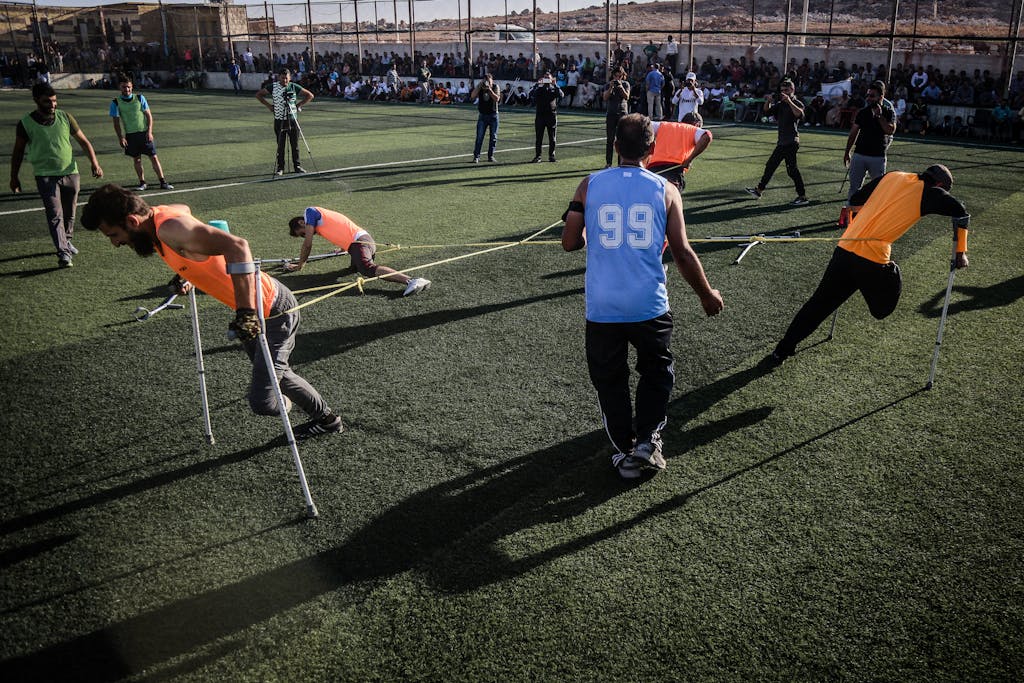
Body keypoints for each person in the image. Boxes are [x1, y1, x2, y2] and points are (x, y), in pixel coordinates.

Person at [80, 184, 344, 438]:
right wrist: (187, 272)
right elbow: (183, 207)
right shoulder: (159, 217)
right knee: (279, 375)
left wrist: (246, 313)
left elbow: (238, 246)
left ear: (132, 221)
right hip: (258, 311)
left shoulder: (170, 228)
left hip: (273, 310)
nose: (115, 244)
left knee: (264, 400)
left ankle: (292, 405)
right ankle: (328, 421)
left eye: (114, 235)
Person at [561, 113, 723, 479]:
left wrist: (586, 228)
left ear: (615, 146)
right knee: (656, 373)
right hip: (649, 303)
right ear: (651, 149)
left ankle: (624, 450)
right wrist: (706, 294)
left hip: (603, 307)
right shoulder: (666, 190)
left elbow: (570, 242)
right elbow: (681, 252)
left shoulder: (590, 184)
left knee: (610, 381)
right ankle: (648, 442)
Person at [767, 164, 970, 365]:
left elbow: (855, 201)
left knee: (818, 305)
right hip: (872, 260)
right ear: (940, 184)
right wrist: (961, 252)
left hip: (845, 248)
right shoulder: (931, 193)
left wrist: (863, 221)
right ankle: (893, 270)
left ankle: (781, 350)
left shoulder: (893, 175)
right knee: (882, 310)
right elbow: (961, 212)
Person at [9, 82, 103, 269]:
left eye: (54, 101)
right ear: (36, 100)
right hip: (45, 176)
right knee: (55, 215)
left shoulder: (66, 117)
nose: (52, 105)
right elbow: (18, 152)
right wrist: (14, 176)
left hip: (71, 173)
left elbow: (84, 142)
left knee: (70, 214)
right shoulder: (25, 124)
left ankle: (66, 241)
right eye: (47, 101)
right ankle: (63, 253)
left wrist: (95, 163)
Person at [284, 206, 431, 296]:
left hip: (360, 243)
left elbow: (307, 245)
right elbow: (339, 226)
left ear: (302, 222)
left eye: (302, 232)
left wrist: (300, 265)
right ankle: (410, 280)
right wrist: (342, 248)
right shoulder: (319, 221)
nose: (305, 235)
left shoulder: (310, 212)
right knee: (354, 268)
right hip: (359, 243)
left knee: (366, 268)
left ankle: (412, 281)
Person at [744, 79, 809, 206]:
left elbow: (799, 115)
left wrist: (789, 101)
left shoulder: (796, 102)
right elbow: (767, 111)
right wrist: (768, 100)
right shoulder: (780, 104)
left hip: (791, 141)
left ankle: (802, 196)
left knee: (792, 170)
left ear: (792, 90)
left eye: (786, 90)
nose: (784, 92)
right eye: (782, 90)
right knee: (771, 166)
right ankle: (759, 190)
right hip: (782, 141)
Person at [109, 76, 173, 192]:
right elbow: (116, 123)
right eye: (124, 87)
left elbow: (149, 116)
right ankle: (142, 183)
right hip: (131, 136)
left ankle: (163, 182)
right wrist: (121, 137)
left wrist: (149, 131)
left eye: (128, 87)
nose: (126, 89)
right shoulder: (115, 102)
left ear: (132, 87)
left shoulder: (139, 98)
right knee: (137, 160)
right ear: (120, 87)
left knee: (154, 157)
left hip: (144, 134)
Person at [844, 80, 896, 206]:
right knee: (854, 188)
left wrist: (879, 117)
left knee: (878, 189)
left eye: (872, 96)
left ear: (881, 97)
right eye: (868, 95)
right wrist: (847, 152)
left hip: (877, 156)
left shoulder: (888, 112)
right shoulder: (862, 112)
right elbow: (853, 133)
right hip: (859, 155)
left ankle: (873, 218)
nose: (868, 98)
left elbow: (890, 130)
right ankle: (850, 216)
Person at [255, 68, 314, 175]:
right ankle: (280, 168)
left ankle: (297, 166)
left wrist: (299, 105)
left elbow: (310, 95)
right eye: (282, 78)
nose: (285, 81)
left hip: (292, 120)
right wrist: (269, 106)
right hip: (279, 119)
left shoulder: (293, 86)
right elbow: (259, 94)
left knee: (294, 145)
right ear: (279, 78)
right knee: (280, 145)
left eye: (286, 78)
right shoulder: (273, 86)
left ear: (290, 78)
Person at [645, 112, 712, 191]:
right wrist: (689, 159)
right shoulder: (694, 130)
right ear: (697, 124)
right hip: (673, 171)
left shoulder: (663, 125)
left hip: (652, 170)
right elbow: (707, 136)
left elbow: (644, 124)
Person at [531, 70, 564, 162]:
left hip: (551, 115)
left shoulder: (554, 87)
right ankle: (538, 156)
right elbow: (532, 95)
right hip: (540, 115)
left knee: (552, 137)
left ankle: (552, 156)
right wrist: (538, 85)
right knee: (539, 137)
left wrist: (555, 84)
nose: (546, 80)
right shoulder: (539, 87)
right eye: (545, 78)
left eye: (548, 78)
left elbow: (561, 95)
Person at [602, 67, 630, 167]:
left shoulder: (626, 84)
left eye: (619, 76)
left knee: (621, 139)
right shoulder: (608, 85)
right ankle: (608, 162)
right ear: (613, 75)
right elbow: (605, 97)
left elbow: (627, 97)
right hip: (611, 114)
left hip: (622, 114)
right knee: (610, 139)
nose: (617, 78)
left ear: (622, 76)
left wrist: (621, 86)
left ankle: (621, 163)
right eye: (615, 76)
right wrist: (611, 88)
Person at [470, 73, 500, 163]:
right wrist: (479, 86)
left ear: (492, 81)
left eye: (489, 82)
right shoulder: (480, 87)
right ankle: (476, 156)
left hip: (493, 115)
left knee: (493, 137)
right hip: (482, 115)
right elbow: (472, 96)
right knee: (479, 137)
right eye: (485, 81)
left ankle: (490, 156)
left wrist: (490, 90)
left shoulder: (495, 87)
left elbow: (497, 99)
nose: (487, 83)